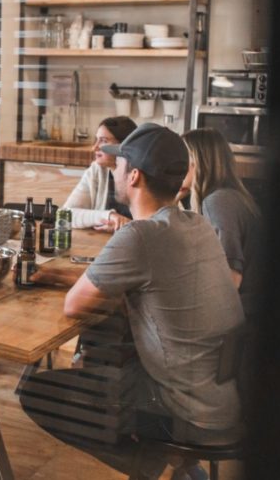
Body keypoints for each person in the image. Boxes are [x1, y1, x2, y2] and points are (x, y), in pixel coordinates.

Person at [23, 124, 245, 480]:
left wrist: (63, 282)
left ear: (135, 176)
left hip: (185, 412)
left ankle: (156, 461)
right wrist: (53, 275)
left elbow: (74, 306)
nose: (115, 170)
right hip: (220, 398)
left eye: (120, 163)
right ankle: (179, 468)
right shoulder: (194, 224)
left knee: (38, 392)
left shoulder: (140, 235)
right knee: (114, 358)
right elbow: (140, 282)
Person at [181, 128, 264, 319]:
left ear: (198, 161)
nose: (176, 166)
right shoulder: (230, 195)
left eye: (182, 158)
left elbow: (230, 279)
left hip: (243, 316)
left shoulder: (218, 202)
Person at [63, 116, 138, 232]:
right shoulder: (96, 171)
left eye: (103, 141)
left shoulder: (142, 175)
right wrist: (109, 216)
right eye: (96, 140)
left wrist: (124, 226)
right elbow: (66, 215)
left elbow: (154, 224)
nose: (94, 147)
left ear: (124, 145)